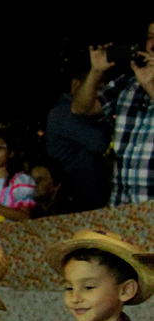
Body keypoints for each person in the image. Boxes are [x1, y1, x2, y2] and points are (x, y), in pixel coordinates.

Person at [72, 20, 154, 206]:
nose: (152, 43)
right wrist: (95, 72)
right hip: (122, 205)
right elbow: (81, 108)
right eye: (150, 37)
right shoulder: (129, 83)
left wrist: (150, 85)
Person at [46, 66, 112, 212]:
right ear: (76, 84)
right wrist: (108, 121)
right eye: (98, 83)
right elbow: (98, 142)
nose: (101, 89)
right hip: (75, 192)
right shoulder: (64, 112)